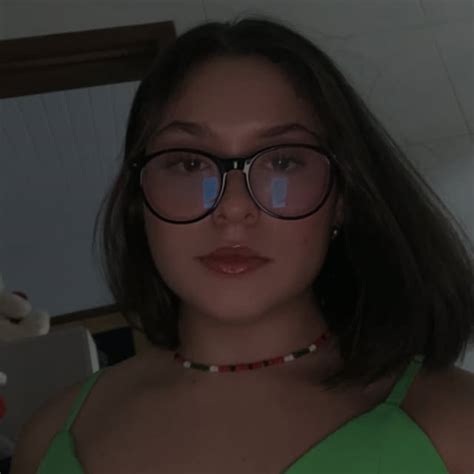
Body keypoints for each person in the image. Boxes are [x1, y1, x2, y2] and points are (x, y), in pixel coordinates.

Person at [11, 17, 474, 474]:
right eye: (189, 164)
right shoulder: (48, 438)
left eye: (283, 161)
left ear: (342, 200)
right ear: (138, 200)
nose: (233, 207)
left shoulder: (455, 424)